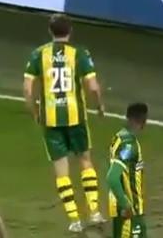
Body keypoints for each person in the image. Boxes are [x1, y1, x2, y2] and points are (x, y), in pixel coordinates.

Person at [23, 13, 105, 233]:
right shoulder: (79, 54)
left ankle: (74, 219)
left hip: (51, 120)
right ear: (70, 31)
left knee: (61, 170)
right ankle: (94, 212)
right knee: (85, 161)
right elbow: (93, 86)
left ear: (50, 31)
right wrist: (99, 106)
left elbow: (28, 89)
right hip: (76, 117)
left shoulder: (39, 54)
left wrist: (34, 111)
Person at [107, 102, 149, 238]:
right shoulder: (129, 145)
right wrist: (126, 205)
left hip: (120, 208)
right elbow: (112, 178)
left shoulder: (119, 137)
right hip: (129, 211)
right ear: (143, 121)